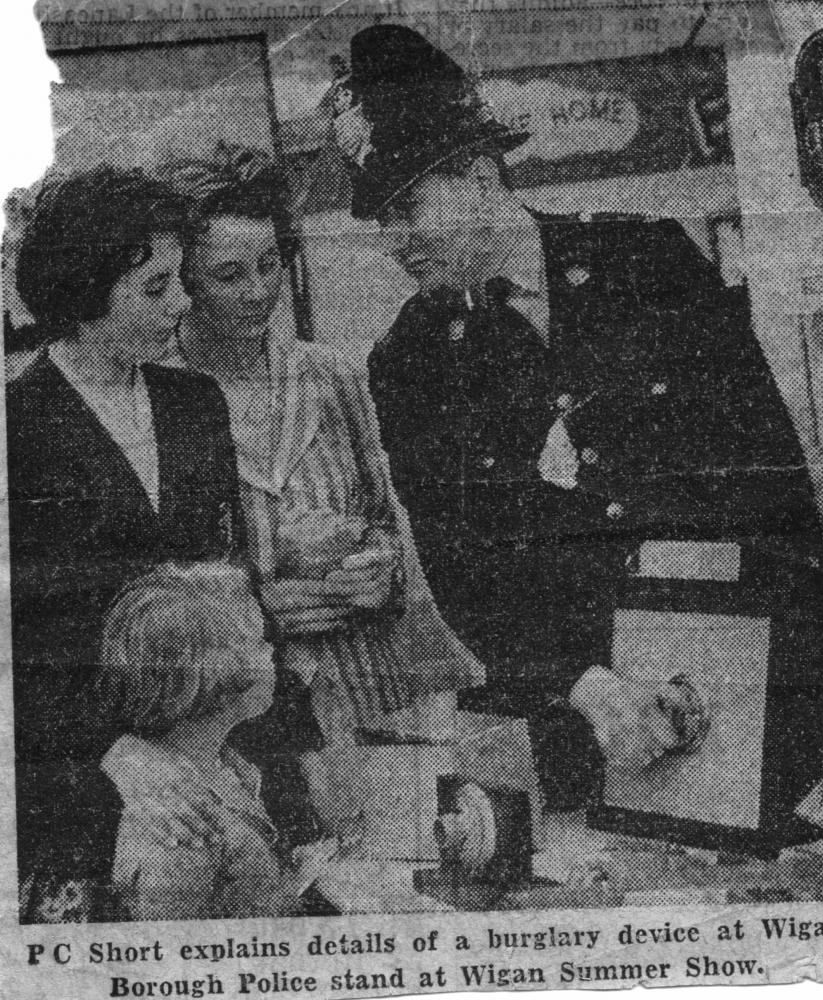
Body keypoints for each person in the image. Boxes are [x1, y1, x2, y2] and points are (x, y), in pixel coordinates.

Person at [335, 25, 823, 809]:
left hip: (736, 671)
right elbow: (459, 564)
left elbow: (766, 477)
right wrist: (587, 683)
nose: (393, 244)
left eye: (407, 208)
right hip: (578, 713)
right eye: (380, 223)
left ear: (476, 177)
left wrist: (812, 691)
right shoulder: (410, 360)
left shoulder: (646, 260)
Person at [158, 145, 482, 827]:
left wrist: (381, 574)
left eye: (271, 264)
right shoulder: (156, 396)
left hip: (368, 692)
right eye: (228, 274)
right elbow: (150, 590)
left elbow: (386, 522)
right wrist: (253, 610)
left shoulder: (333, 376)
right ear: (183, 280)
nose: (258, 291)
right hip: (240, 721)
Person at [7, 165, 245, 909]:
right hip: (74, 773)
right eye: (155, 288)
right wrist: (111, 751)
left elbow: (224, 582)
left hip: (208, 741)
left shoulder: (195, 401)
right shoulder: (16, 424)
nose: (182, 303)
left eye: (180, 280)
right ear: (84, 295)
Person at [99, 562, 337, 920]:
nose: (274, 653)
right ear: (213, 673)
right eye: (261, 642)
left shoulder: (226, 766)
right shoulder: (180, 820)